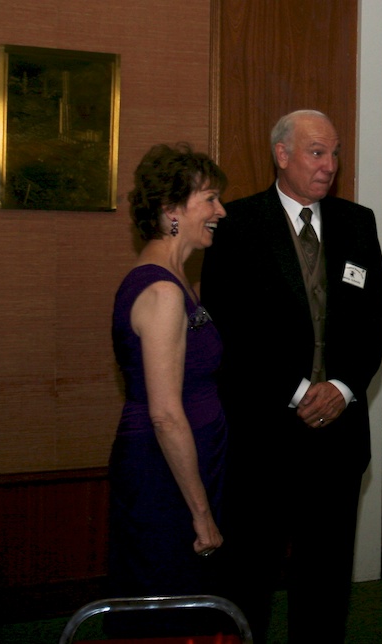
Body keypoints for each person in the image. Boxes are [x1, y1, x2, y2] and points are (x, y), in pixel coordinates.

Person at [201, 110, 382, 643]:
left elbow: (378, 321)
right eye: (317, 152)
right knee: (250, 581)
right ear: (281, 155)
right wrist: (299, 391)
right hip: (263, 439)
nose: (330, 165)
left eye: (335, 153)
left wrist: (345, 388)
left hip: (339, 440)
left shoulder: (358, 223)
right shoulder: (235, 225)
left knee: (326, 585)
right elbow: (229, 332)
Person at [108, 144, 229, 633]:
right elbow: (165, 414)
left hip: (188, 467)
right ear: (171, 211)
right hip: (165, 478)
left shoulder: (179, 280)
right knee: (165, 608)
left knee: (189, 605)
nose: (220, 211)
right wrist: (200, 514)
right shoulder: (160, 292)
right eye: (210, 199)